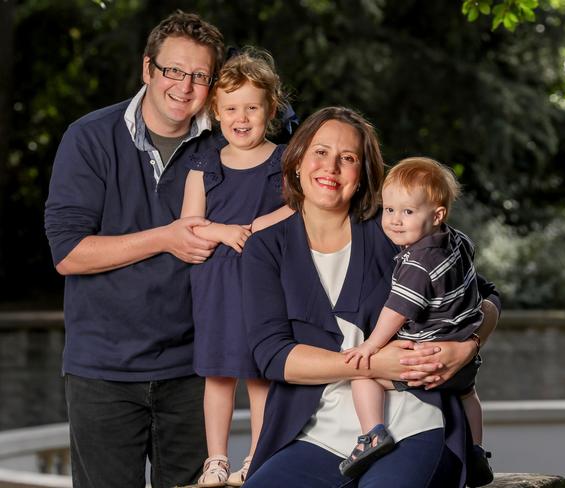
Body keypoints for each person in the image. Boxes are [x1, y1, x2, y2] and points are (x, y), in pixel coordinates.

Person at [241, 107, 501, 488]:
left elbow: (486, 297)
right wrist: (375, 364)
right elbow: (273, 357)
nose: (330, 167)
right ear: (296, 161)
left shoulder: (395, 229)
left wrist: (467, 346)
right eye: (320, 152)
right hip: (316, 433)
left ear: (362, 176)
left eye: (347, 159)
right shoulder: (266, 249)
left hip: (414, 419)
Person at [44, 11, 225, 488]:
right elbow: (68, 253)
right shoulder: (90, 138)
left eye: (199, 76)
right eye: (173, 71)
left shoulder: (225, 145)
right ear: (148, 69)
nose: (184, 87)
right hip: (103, 370)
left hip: (196, 370)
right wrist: (166, 237)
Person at [339, 157, 493, 486]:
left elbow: (397, 310)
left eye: (407, 212)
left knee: (362, 375)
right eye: (389, 210)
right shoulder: (459, 242)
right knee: (469, 395)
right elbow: (473, 287)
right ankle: (477, 450)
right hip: (464, 357)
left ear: (437, 215)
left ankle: (372, 435)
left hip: (426, 356)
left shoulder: (417, 263)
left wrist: (372, 345)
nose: (394, 221)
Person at [180, 47, 293, 487]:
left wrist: (264, 221)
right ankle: (217, 459)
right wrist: (226, 231)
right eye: (230, 108)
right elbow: (190, 224)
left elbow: (302, 209)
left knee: (260, 374)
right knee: (218, 373)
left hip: (265, 284)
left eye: (251, 107)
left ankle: (257, 458)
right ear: (216, 111)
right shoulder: (203, 163)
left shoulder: (285, 160)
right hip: (217, 282)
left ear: (270, 109)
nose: (240, 117)